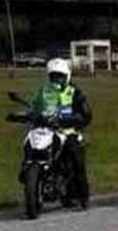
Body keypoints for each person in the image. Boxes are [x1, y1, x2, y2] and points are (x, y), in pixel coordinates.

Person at [27, 58, 93, 209]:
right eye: (54, 76)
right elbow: (34, 106)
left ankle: (82, 196)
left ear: (67, 76)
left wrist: (74, 119)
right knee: (30, 144)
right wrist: (28, 114)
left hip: (67, 131)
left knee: (77, 159)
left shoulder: (74, 92)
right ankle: (30, 175)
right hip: (46, 129)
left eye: (60, 76)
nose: (57, 79)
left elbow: (86, 114)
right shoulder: (43, 91)